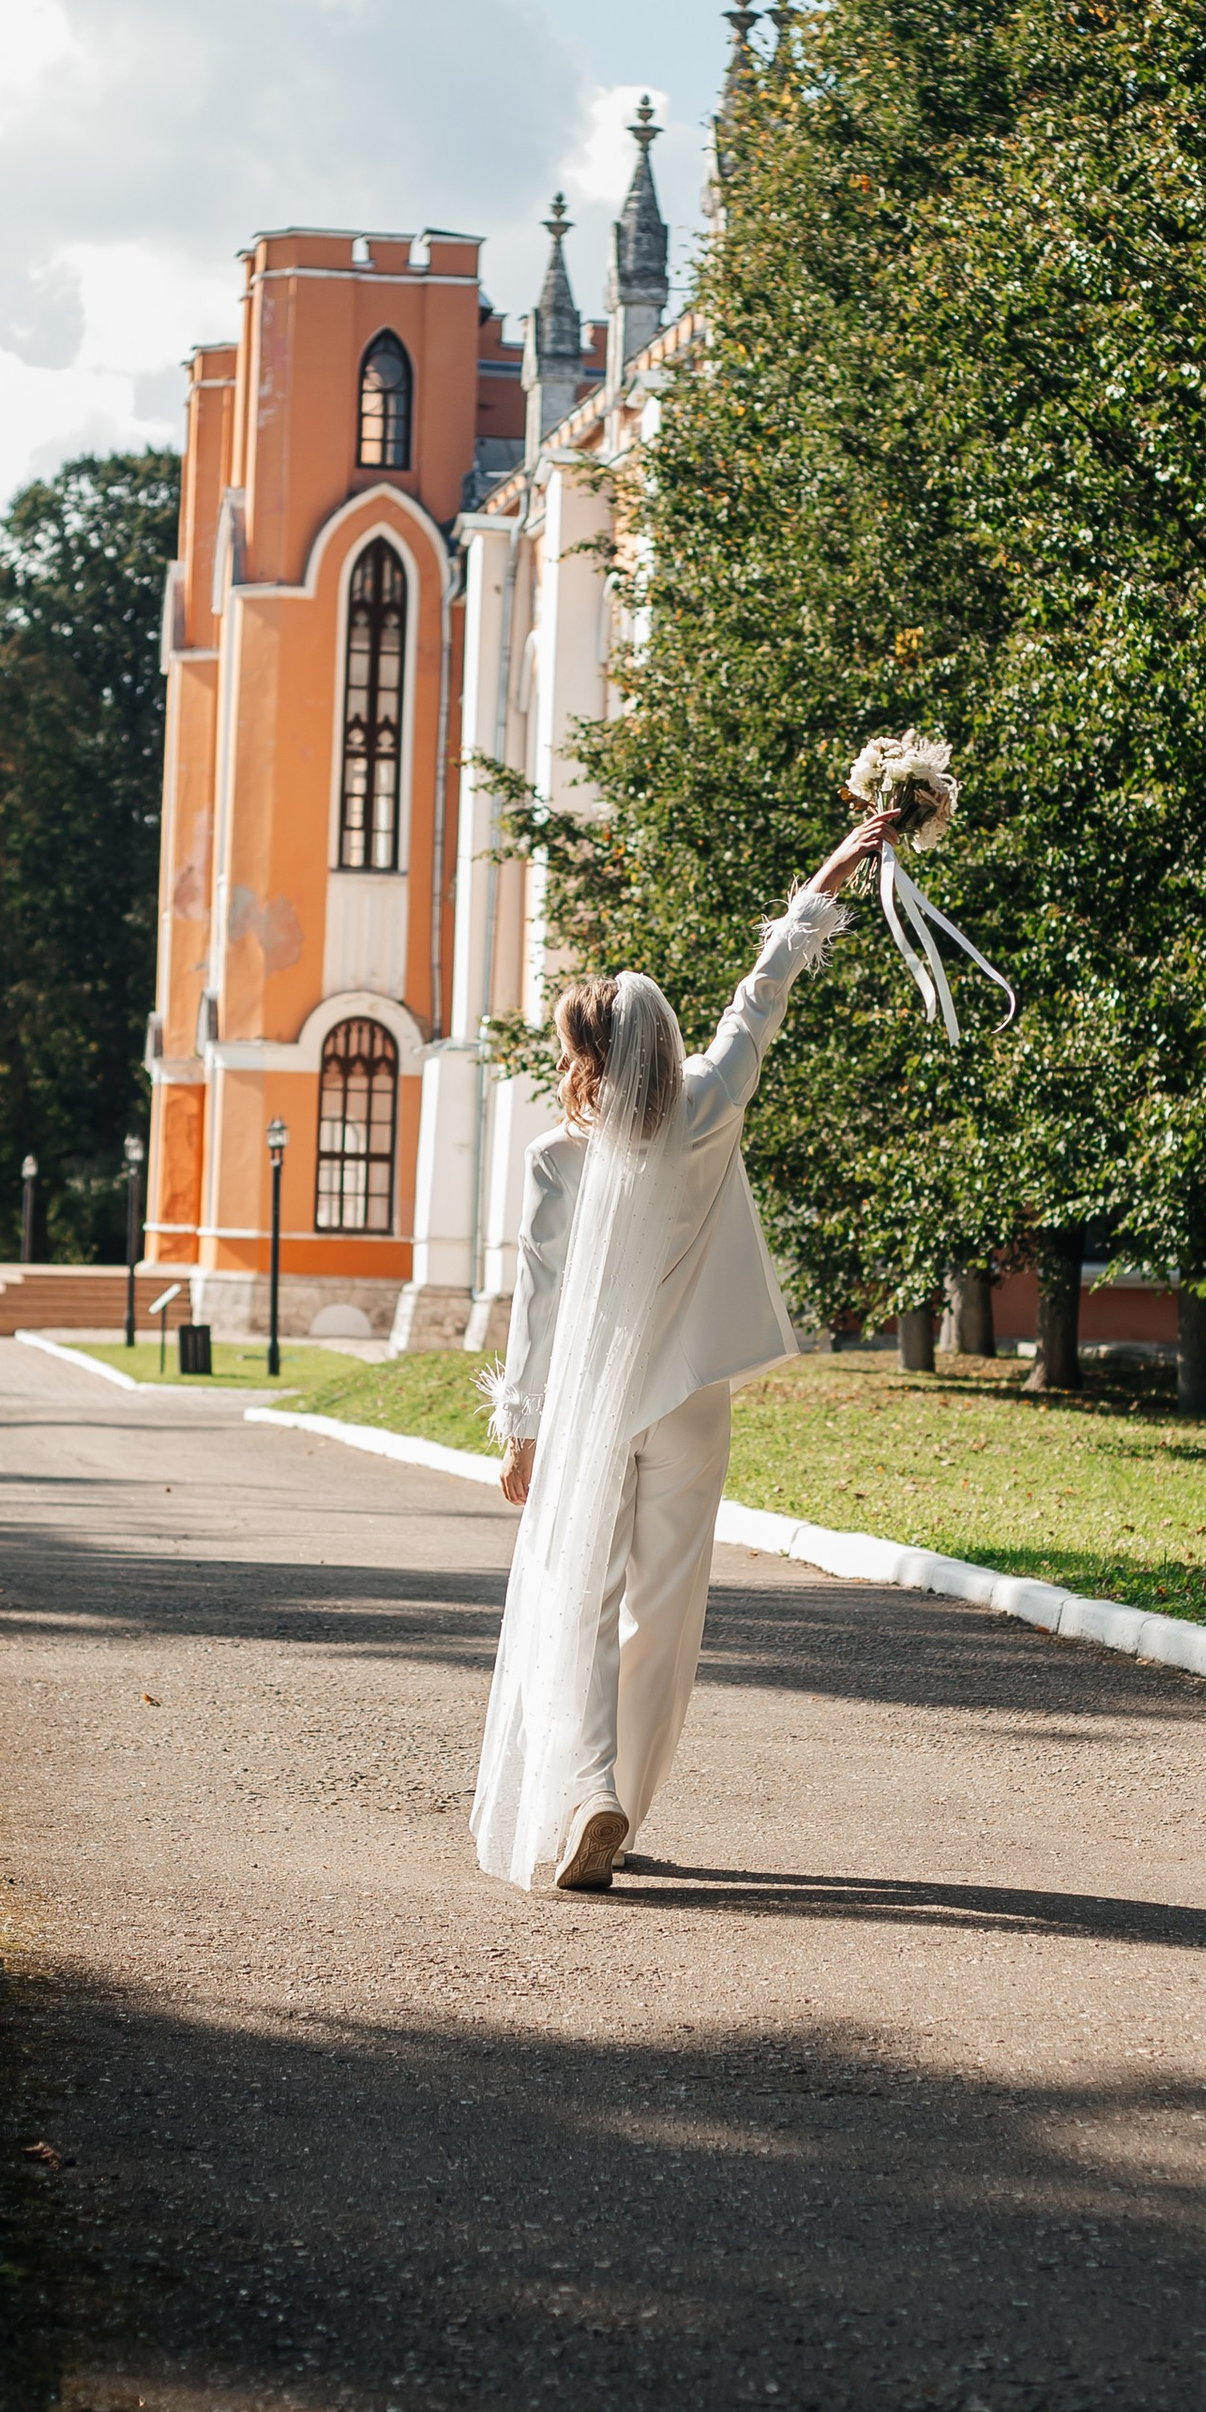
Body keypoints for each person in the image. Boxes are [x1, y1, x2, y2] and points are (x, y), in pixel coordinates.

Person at [472, 808, 899, 1894]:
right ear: (661, 1047)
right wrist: (835, 864)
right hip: (690, 1403)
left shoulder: (552, 1160)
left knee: (577, 1592)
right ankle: (621, 1802)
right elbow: (766, 988)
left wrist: (517, 1427)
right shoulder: (710, 1102)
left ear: (581, 1057)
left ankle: (586, 1789)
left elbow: (538, 1301)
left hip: (586, 1411)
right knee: (661, 1607)